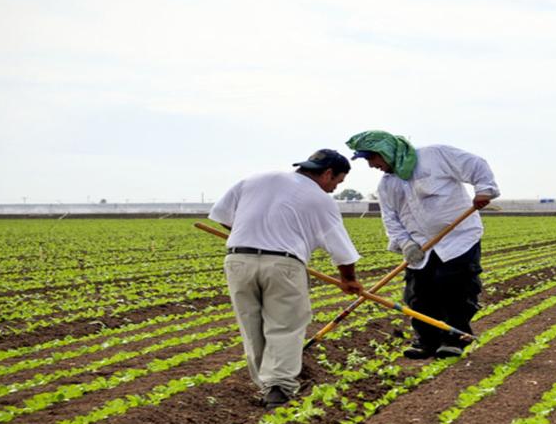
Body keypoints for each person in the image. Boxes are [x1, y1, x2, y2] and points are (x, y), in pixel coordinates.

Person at [209, 149, 363, 409]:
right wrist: (349, 280)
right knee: (285, 325)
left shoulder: (255, 179)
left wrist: (253, 235)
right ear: (327, 173)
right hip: (284, 264)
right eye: (337, 182)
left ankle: (265, 385)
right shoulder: (320, 199)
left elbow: (222, 216)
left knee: (251, 325)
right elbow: (341, 248)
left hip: (238, 260)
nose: (334, 189)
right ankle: (279, 387)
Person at [347, 130, 499, 359]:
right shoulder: (387, 185)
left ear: (385, 152)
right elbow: (391, 218)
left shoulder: (435, 156)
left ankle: (454, 339)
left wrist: (483, 190)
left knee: (457, 288)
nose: (371, 165)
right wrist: (406, 245)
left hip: (458, 238)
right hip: (420, 247)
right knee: (419, 294)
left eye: (372, 158)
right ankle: (426, 341)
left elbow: (476, 165)